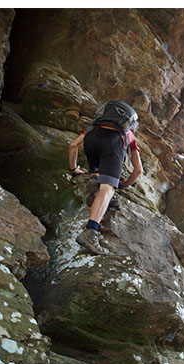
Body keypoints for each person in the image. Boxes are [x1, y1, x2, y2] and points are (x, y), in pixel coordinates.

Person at [67, 101, 143, 255]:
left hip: (93, 142)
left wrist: (74, 169)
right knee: (108, 189)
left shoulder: (92, 128)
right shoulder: (128, 134)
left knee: (99, 175)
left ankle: (95, 181)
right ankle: (90, 232)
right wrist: (124, 184)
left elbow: (73, 145)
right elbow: (138, 170)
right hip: (113, 146)